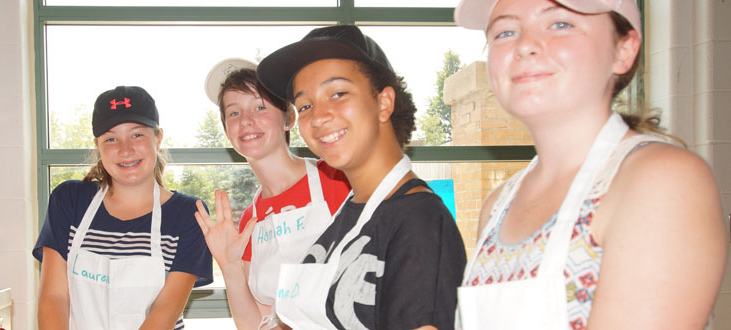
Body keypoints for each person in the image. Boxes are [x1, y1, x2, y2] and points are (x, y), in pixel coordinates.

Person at [453, 0, 728, 328]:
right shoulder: (498, 205)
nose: (525, 45)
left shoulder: (663, 182)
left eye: (560, 24)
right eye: (505, 32)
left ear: (623, 50)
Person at [255, 25, 467, 329]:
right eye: (305, 105)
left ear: (384, 103)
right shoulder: (349, 214)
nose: (318, 116)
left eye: (338, 93)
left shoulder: (418, 221)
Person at [32, 86, 214, 330]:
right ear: (97, 144)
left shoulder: (189, 213)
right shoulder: (69, 200)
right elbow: (54, 297)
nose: (125, 149)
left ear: (158, 138)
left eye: (137, 135)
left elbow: (166, 308)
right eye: (111, 138)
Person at [194, 59, 352, 329]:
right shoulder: (249, 222)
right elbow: (255, 322)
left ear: (288, 118)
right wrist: (230, 266)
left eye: (259, 107)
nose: (246, 121)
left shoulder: (338, 178)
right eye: (234, 113)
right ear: (226, 130)